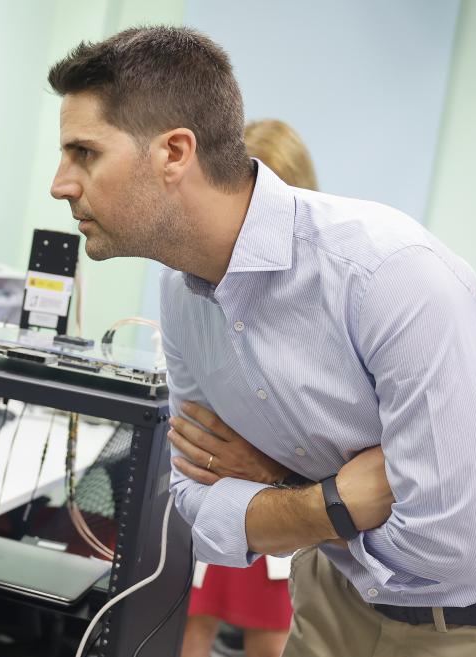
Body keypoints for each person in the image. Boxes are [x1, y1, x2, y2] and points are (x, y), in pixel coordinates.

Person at [47, 26, 476, 657]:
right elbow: (201, 503)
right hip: (332, 599)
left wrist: (281, 492)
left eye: (84, 153)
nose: (61, 183)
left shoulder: (389, 276)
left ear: (174, 152)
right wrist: (330, 500)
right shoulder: (181, 292)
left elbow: (457, 555)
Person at [182, 118, 317, 657]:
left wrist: (277, 473)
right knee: (194, 619)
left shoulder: (321, 293)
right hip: (222, 487)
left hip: (291, 501)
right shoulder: (201, 283)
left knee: (271, 630)